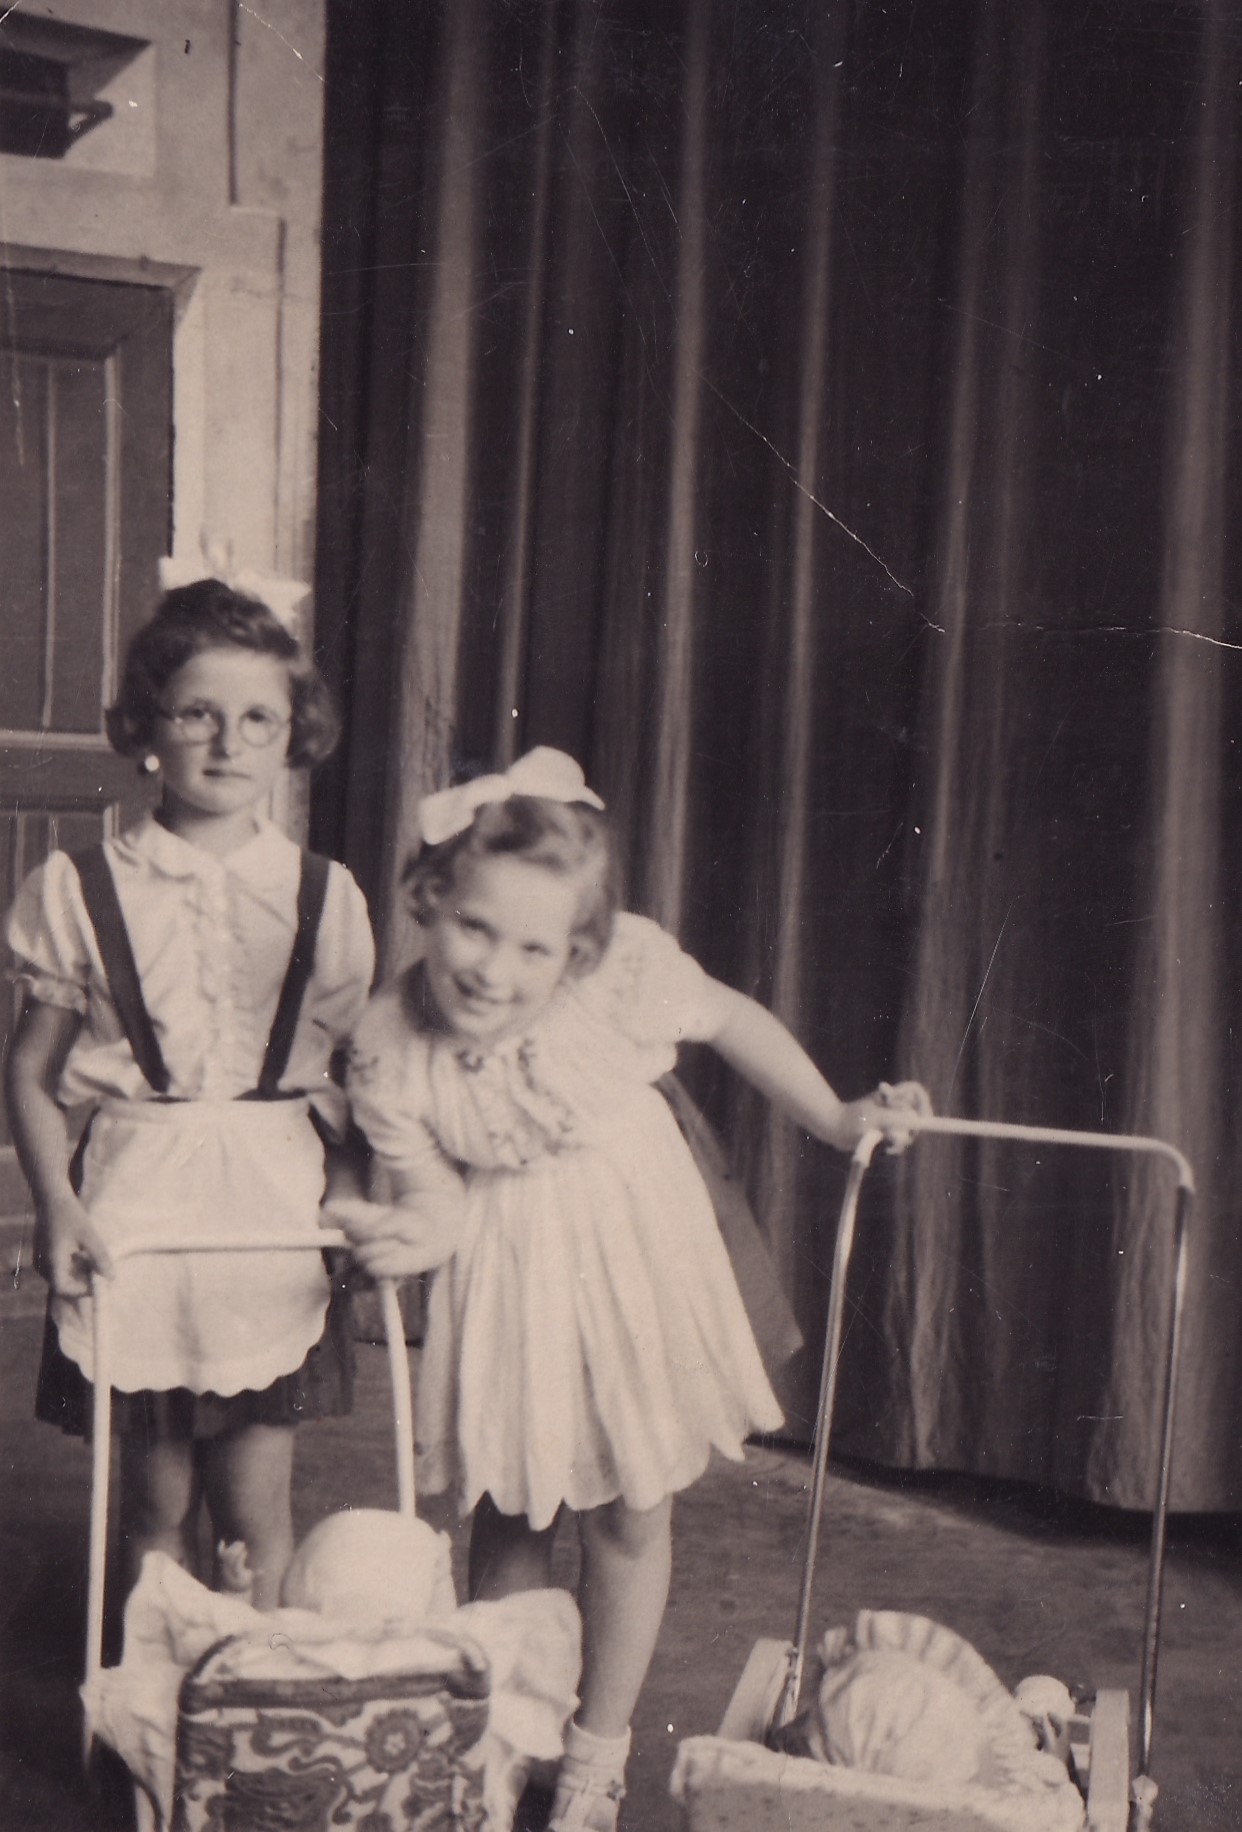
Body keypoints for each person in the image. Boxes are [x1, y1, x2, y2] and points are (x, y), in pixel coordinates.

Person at [334, 746, 930, 1832]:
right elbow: (436, 1200)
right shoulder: (387, 1043)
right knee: (511, 1507)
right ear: (426, 900)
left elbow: (734, 1018)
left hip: (627, 1243)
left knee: (628, 1503)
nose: (494, 969)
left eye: (533, 947)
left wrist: (837, 1115)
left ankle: (595, 1755)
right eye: (473, 928)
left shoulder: (619, 980)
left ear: (577, 948)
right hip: (506, 1263)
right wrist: (403, 1235)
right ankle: (505, 1738)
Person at [4, 579, 375, 1610]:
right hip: (139, 1200)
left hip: (270, 1207)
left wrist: (349, 1192)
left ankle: (251, 1694)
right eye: (196, 713)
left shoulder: (323, 894)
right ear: (145, 728)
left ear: (294, 733)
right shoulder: (80, 888)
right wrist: (56, 1203)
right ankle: (159, 1688)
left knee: (256, 1500)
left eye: (258, 718)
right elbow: (30, 1071)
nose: (227, 743)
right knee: (156, 1499)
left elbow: (358, 1076)